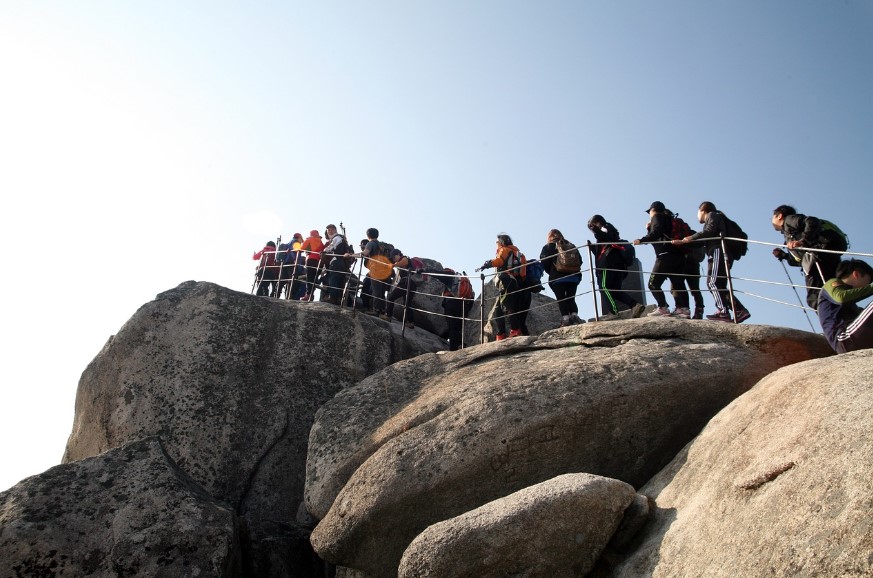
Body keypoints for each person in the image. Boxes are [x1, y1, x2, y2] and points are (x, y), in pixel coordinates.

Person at [675, 201, 751, 323]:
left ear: (703, 210)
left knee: (712, 282)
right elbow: (702, 241)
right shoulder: (716, 218)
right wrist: (683, 243)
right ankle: (739, 310)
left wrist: (691, 237)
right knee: (720, 285)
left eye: (697, 212)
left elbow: (709, 231)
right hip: (723, 253)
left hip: (718, 251)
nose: (697, 216)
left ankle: (723, 312)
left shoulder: (712, 215)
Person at [771, 205, 848, 310]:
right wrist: (783, 255)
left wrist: (803, 241)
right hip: (824, 256)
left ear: (779, 216)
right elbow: (799, 260)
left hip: (817, 257)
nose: (772, 221)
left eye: (773, 217)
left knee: (815, 297)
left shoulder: (789, 220)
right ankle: (850, 313)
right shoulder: (790, 234)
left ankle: (837, 317)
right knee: (835, 289)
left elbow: (812, 221)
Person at [633, 201, 690, 318]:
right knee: (678, 283)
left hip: (664, 255)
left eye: (649, 212)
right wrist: (649, 229)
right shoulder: (670, 219)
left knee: (653, 283)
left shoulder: (657, 217)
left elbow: (657, 232)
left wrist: (641, 240)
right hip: (678, 255)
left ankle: (663, 307)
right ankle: (684, 309)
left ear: (653, 210)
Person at [587, 215, 645, 320]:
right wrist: (592, 248)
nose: (592, 229)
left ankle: (613, 312)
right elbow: (602, 248)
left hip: (608, 265)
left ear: (597, 222)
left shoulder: (605, 227)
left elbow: (607, 238)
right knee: (615, 291)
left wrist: (596, 230)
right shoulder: (607, 234)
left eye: (592, 225)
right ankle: (634, 305)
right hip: (618, 266)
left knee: (604, 287)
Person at [476, 234, 526, 340]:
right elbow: (523, 273)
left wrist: (488, 264)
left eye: (497, 242)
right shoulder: (519, 254)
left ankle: (515, 330)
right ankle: (501, 334)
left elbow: (500, 261)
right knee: (499, 309)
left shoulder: (504, 249)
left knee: (507, 306)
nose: (496, 244)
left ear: (501, 242)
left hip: (505, 280)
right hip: (515, 283)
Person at [817, 259, 873, 353]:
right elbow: (841, 298)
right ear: (856, 274)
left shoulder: (852, 306)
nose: (868, 285)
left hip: (852, 339)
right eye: (868, 281)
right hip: (843, 338)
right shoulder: (831, 284)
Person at [539, 229, 583, 326]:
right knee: (571, 297)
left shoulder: (548, 247)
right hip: (573, 276)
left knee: (561, 298)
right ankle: (574, 315)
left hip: (557, 277)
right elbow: (580, 260)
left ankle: (566, 318)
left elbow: (544, 263)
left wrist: (552, 271)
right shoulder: (570, 245)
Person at [357, 228, 394, 317]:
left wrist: (351, 255)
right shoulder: (384, 246)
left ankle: (376, 310)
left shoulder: (371, 243)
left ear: (368, 235)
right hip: (386, 271)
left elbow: (365, 253)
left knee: (376, 290)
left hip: (376, 270)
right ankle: (382, 310)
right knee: (382, 291)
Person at [385, 248, 416, 328]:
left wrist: (393, 265)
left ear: (398, 254)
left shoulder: (404, 258)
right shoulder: (401, 262)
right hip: (411, 284)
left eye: (394, 257)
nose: (394, 259)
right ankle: (410, 322)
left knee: (391, 297)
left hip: (406, 282)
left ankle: (388, 316)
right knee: (407, 303)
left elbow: (404, 262)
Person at [321, 224, 351, 305]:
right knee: (339, 280)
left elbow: (332, 246)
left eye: (331, 230)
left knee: (333, 280)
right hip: (342, 263)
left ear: (335, 230)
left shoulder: (337, 238)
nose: (330, 232)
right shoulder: (341, 238)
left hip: (336, 261)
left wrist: (324, 251)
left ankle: (333, 298)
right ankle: (338, 299)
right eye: (328, 231)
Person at [300, 230, 324, 301]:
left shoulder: (309, 239)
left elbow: (301, 248)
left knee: (309, 278)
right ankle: (311, 294)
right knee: (314, 279)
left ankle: (308, 295)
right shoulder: (321, 243)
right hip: (319, 262)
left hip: (310, 260)